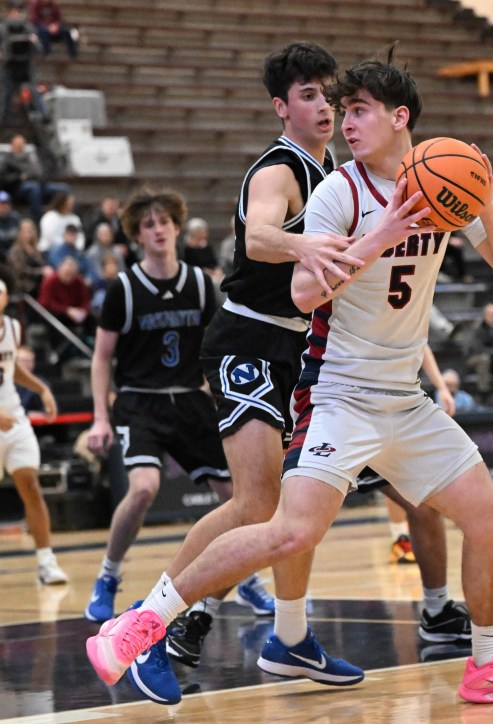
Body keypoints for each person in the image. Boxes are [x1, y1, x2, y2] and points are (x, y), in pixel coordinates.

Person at [86, 51, 493, 706]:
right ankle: (141, 623)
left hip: (404, 398)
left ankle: (489, 666)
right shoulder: (338, 191)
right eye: (342, 110)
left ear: (400, 118)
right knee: (287, 529)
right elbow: (306, 292)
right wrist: (384, 234)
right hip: (337, 393)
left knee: (492, 518)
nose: (347, 122)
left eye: (361, 110)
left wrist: (486, 202)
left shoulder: (442, 177)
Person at [161, 42, 364, 682]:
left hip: (300, 349)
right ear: (282, 107)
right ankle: (156, 616)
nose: (324, 106)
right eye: (308, 95)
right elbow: (260, 238)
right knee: (256, 503)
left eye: (329, 94)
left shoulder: (336, 171)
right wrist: (310, 244)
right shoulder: (279, 169)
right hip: (247, 339)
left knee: (294, 506)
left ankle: (287, 636)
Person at [81, 187, 234, 628]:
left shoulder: (200, 284)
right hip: (140, 402)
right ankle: (108, 577)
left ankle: (238, 577)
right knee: (144, 488)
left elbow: (214, 349)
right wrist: (100, 416)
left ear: (176, 225)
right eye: (148, 224)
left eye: (163, 221)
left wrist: (220, 398)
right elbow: (101, 358)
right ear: (136, 235)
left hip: (190, 399)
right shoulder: (124, 289)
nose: (158, 229)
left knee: (236, 499)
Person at [0, 272, 68, 584]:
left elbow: (13, 370)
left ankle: (46, 562)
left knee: (31, 486)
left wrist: (42, 389)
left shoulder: (12, 328)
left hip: (14, 418)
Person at [0, 1, 49, 124]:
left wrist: (33, 41)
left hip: (25, 66)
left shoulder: (29, 28)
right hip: (9, 66)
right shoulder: (2, 28)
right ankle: (3, 119)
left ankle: (43, 116)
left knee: (34, 91)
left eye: (19, 11)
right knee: (6, 94)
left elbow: (39, 48)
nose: (16, 14)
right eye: (14, 11)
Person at [0, 135, 69, 222]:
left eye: (22, 145)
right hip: (19, 189)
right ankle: (39, 219)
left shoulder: (31, 158)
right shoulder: (7, 160)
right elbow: (4, 179)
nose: (20, 147)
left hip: (40, 184)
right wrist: (19, 177)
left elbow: (39, 173)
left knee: (63, 189)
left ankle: (61, 216)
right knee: (33, 188)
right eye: (18, 145)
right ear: (12, 146)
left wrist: (32, 176)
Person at [7, 217, 51, 297]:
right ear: (20, 233)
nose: (28, 234)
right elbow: (19, 270)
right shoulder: (16, 250)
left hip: (38, 280)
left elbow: (41, 264)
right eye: (25, 231)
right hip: (24, 283)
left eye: (30, 231)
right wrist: (40, 272)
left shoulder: (36, 249)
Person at [15, 343, 46, 413]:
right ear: (15, 362)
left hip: (34, 422)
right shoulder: (5, 381)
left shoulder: (41, 382)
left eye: (30, 361)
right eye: (24, 360)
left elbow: (47, 409)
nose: (27, 364)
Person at [0, 189, 20, 261]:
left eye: (6, 203)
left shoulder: (16, 218)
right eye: (1, 204)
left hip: (15, 255)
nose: (4, 206)